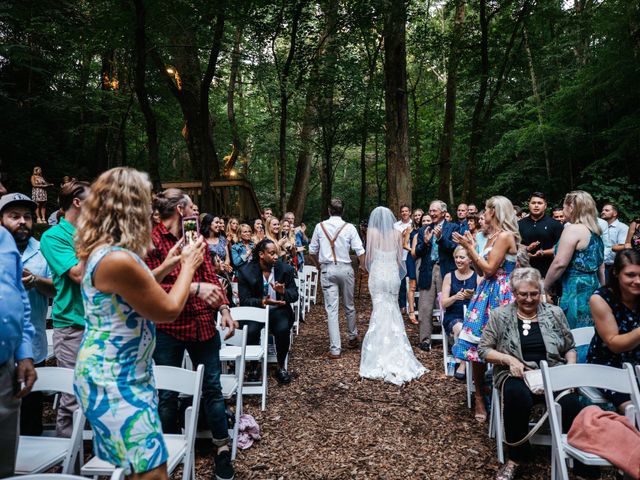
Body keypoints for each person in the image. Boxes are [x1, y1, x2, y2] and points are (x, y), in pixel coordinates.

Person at [73, 168, 207, 479]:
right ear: (128, 208)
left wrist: (170, 263)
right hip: (115, 380)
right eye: (145, 202)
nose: (151, 210)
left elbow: (136, 290)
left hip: (123, 373)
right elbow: (168, 310)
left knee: (139, 471)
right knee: (152, 474)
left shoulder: (109, 253)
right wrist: (189, 265)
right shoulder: (117, 260)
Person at [145, 188, 238, 480]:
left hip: (202, 324)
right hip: (168, 326)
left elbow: (209, 274)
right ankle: (170, 450)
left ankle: (222, 449)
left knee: (212, 387)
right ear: (179, 210)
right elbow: (149, 288)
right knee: (167, 393)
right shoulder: (152, 239)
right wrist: (194, 288)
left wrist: (224, 307)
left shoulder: (195, 237)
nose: (197, 210)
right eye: (192, 206)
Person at [478, 268, 589, 480]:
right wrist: (509, 359)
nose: (529, 299)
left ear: (540, 292)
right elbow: (484, 349)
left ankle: (579, 461)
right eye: (523, 294)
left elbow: (570, 348)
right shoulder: (500, 315)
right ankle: (516, 458)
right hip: (517, 374)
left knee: (572, 403)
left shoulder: (554, 313)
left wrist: (570, 372)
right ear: (514, 293)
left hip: (553, 371)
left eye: (534, 294)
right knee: (516, 396)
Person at [452, 195, 519, 422]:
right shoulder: (490, 238)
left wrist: (470, 247)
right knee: (478, 345)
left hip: (503, 293)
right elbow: (481, 273)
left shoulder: (505, 237)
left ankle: (506, 396)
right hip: (485, 293)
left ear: (494, 211)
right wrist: (470, 248)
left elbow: (490, 269)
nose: (483, 213)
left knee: (506, 344)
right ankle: (480, 395)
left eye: (486, 210)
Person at [1, 193, 55, 436]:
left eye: (27, 216)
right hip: (3, 351)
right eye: (14, 216)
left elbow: (58, 287)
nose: (22, 221)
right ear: (1, 220)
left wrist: (35, 280)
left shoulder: (43, 249)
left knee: (31, 410)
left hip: (32, 344)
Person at [40, 180, 90, 437]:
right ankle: (69, 465)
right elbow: (78, 274)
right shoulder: (53, 237)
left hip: (99, 326)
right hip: (71, 326)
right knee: (72, 396)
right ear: (78, 202)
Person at [359, 207, 427, 385]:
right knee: (393, 308)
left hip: (378, 273)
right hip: (391, 274)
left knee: (379, 308)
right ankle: (395, 348)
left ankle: (379, 350)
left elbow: (370, 257)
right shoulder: (398, 233)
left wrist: (375, 266)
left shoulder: (372, 232)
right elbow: (399, 259)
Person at [309, 198, 366, 359]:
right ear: (343, 211)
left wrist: (317, 265)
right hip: (346, 268)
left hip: (328, 269)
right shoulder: (349, 228)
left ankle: (335, 349)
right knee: (349, 305)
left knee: (332, 310)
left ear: (329, 210)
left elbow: (312, 250)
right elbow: (360, 251)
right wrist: (362, 266)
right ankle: (352, 336)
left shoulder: (319, 227)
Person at [0, 225, 36, 478]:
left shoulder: (3, 238)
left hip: (6, 368)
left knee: (4, 464)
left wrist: (24, 352)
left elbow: (18, 295)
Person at [237, 239, 298, 384]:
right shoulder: (245, 272)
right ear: (261, 254)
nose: (276, 256)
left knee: (283, 329)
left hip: (278, 309)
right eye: (272, 253)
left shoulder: (285, 270)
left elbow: (294, 295)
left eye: (276, 253)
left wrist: (283, 292)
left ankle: (281, 366)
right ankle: (253, 367)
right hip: (255, 310)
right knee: (250, 330)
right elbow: (245, 300)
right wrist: (263, 301)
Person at [587, 249, 640, 413]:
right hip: (608, 367)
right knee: (636, 410)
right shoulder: (600, 299)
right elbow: (614, 344)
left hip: (638, 366)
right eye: (630, 275)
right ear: (616, 273)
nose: (637, 281)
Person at [544, 191, 605, 331]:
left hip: (574, 291)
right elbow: (601, 267)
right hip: (593, 289)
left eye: (564, 206)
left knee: (574, 334)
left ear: (571, 207)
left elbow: (560, 263)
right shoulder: (595, 232)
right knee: (590, 332)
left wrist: (545, 285)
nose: (563, 210)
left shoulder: (573, 229)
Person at [415, 200, 460, 352]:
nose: (432, 214)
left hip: (445, 270)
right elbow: (418, 252)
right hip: (427, 271)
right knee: (425, 306)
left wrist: (441, 239)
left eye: (435, 211)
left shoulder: (453, 227)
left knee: (448, 306)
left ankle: (452, 340)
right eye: (430, 211)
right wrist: (426, 242)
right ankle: (425, 340)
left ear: (443, 212)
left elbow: (455, 249)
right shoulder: (424, 230)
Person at [441, 246, 479, 380]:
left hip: (473, 316)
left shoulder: (477, 276)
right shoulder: (448, 276)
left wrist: (472, 297)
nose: (458, 260)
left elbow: (482, 300)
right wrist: (454, 297)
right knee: (461, 328)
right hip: (453, 316)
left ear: (469, 260)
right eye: (456, 257)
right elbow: (444, 303)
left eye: (462, 257)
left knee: (470, 327)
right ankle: (463, 364)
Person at [518, 192, 564, 278]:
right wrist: (525, 250)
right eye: (533, 203)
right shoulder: (519, 224)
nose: (536, 205)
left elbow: (560, 248)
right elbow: (514, 245)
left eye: (539, 203)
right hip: (523, 271)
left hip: (548, 271)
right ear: (529, 205)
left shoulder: (555, 224)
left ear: (545, 206)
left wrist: (543, 253)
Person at [404, 208, 423, 324]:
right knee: (412, 285)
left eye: (419, 215)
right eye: (415, 215)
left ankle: (424, 311)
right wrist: (414, 250)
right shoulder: (410, 229)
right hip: (412, 258)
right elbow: (404, 244)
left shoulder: (426, 228)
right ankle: (411, 312)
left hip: (423, 259)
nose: (417, 217)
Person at [600, 203, 629, 281]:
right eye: (602, 210)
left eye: (607, 210)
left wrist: (611, 248)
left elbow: (624, 247)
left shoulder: (622, 227)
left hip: (613, 266)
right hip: (600, 265)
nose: (603, 212)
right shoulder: (600, 226)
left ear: (615, 213)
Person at [394, 204, 412, 313]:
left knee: (412, 281)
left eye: (406, 211)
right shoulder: (396, 225)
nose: (404, 213)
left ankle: (412, 305)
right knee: (401, 281)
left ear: (410, 212)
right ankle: (402, 306)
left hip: (410, 255)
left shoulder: (413, 224)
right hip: (399, 256)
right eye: (402, 211)